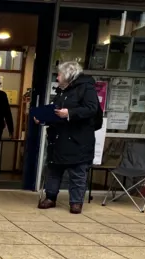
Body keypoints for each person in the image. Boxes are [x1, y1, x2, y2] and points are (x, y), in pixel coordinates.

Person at [35, 61, 100, 214]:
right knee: (54, 170)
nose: (57, 78)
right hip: (59, 138)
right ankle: (50, 197)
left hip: (79, 139)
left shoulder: (86, 88)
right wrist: (43, 118)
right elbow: (56, 112)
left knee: (77, 172)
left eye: (59, 74)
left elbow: (92, 109)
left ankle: (76, 202)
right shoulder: (61, 91)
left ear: (69, 74)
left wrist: (70, 113)